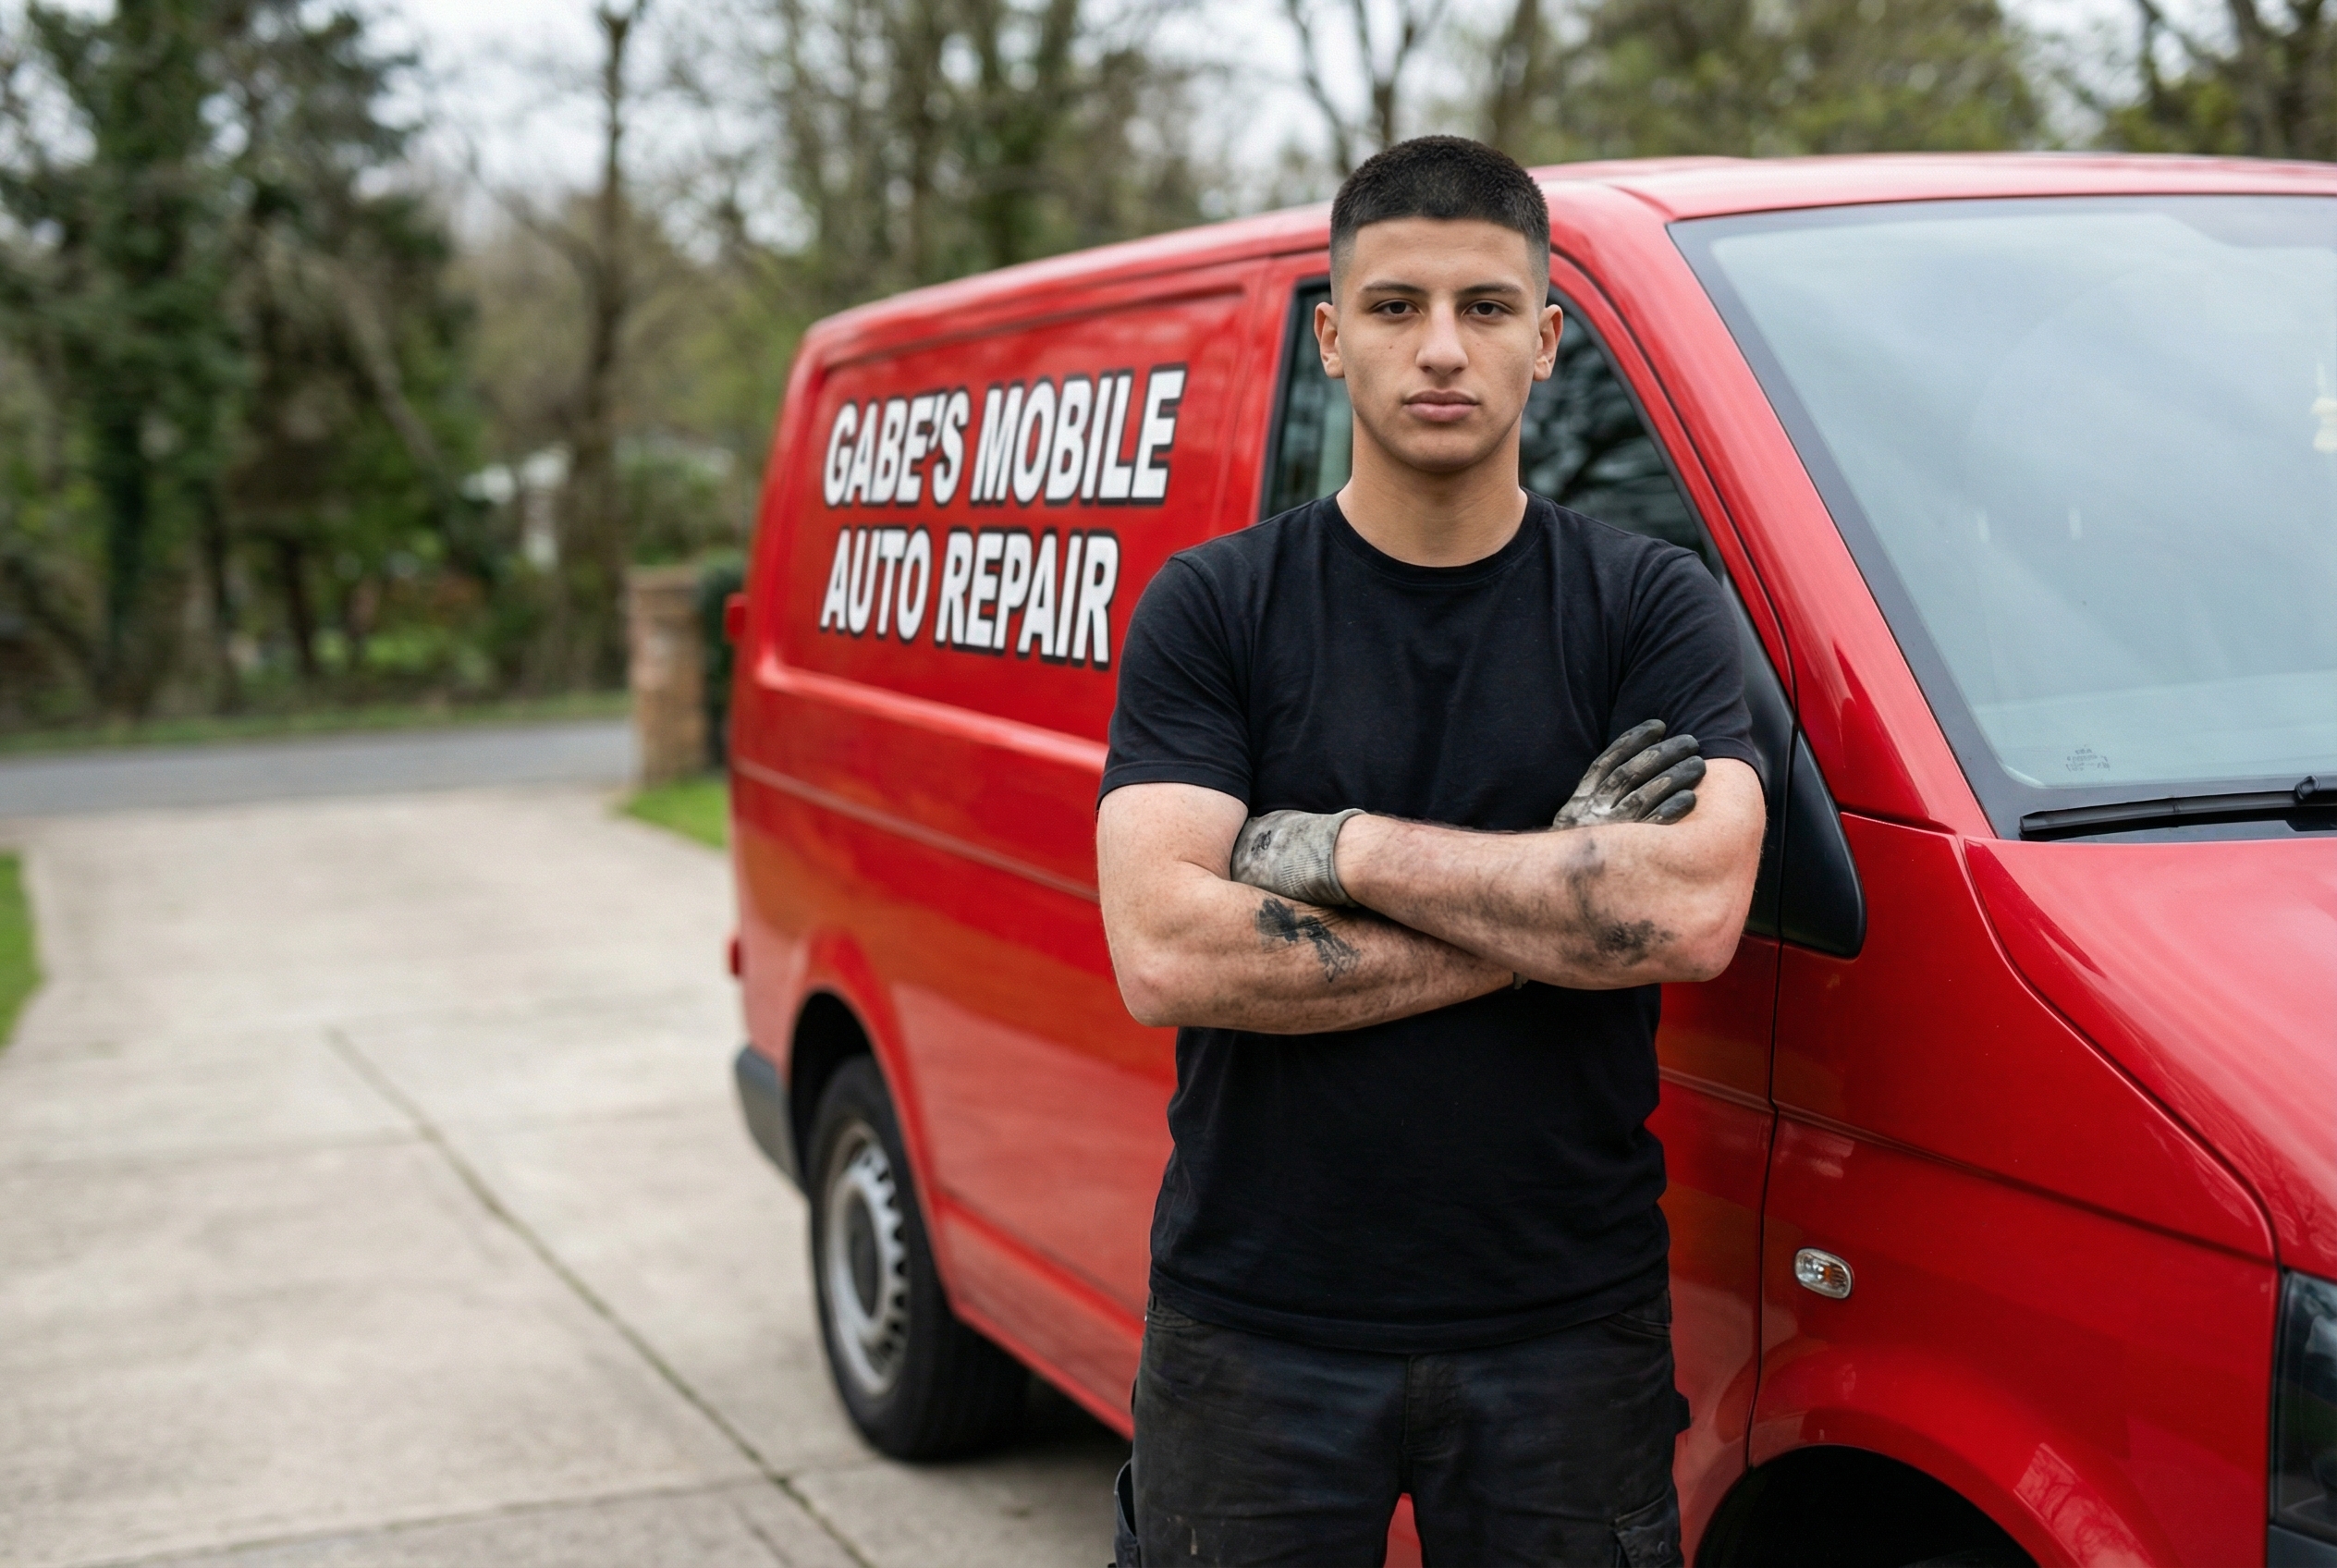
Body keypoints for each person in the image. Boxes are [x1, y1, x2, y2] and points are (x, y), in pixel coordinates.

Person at [1093, 135, 1767, 1567]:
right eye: (1395, 308)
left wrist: (1333, 846)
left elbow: (1695, 911)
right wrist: (1558, 901)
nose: (1440, 348)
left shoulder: (1651, 605)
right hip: (1253, 1326)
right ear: (1332, 340)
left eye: (1485, 306)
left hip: (1565, 1328)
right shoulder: (1215, 610)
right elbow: (1165, 951)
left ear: (1548, 339)